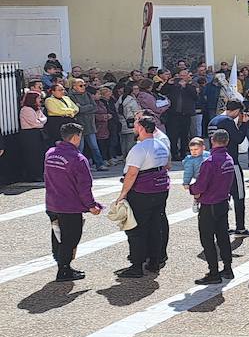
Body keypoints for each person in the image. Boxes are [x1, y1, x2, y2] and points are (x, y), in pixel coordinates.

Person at [114, 116, 171, 278]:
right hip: (160, 188)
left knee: (136, 229)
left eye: (136, 126)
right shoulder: (161, 143)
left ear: (141, 128)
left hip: (143, 191)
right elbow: (167, 165)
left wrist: (123, 194)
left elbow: (132, 173)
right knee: (155, 226)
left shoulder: (139, 148)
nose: (134, 129)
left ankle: (136, 265)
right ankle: (154, 260)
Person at [44, 123, 102, 282]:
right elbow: (84, 186)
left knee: (58, 236)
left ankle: (62, 265)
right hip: (69, 206)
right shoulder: (78, 159)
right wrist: (91, 205)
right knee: (71, 238)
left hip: (52, 202)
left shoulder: (50, 154)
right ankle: (64, 270)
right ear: (76, 137)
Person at [189, 130, 238, 285]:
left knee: (207, 239)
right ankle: (228, 268)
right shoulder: (229, 159)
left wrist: (192, 189)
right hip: (223, 202)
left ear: (212, 140)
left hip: (209, 204)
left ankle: (213, 272)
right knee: (223, 237)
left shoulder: (210, 162)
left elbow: (200, 186)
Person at [208, 100, 249, 237]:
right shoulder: (227, 121)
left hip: (216, 162)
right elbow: (239, 138)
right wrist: (244, 124)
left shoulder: (214, 120)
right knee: (239, 195)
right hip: (231, 161)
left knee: (222, 196)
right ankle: (240, 227)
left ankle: (224, 226)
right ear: (237, 111)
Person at [68, 78, 104, 169]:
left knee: (94, 147)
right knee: (80, 147)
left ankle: (100, 164)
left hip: (90, 125)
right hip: (79, 125)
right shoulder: (71, 96)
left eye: (84, 85)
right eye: (81, 85)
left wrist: (83, 108)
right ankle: (79, 166)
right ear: (74, 86)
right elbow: (77, 110)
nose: (83, 87)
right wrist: (88, 108)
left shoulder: (88, 95)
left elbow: (94, 107)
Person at [18, 90, 48, 182]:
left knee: (39, 154)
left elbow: (44, 118)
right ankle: (33, 175)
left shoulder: (37, 109)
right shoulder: (26, 109)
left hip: (37, 134)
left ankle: (40, 173)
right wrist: (40, 121)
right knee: (32, 155)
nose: (40, 100)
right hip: (29, 135)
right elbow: (36, 123)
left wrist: (40, 120)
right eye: (38, 98)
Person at [181, 137, 207, 209]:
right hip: (199, 178)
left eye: (196, 149)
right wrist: (186, 182)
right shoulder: (190, 160)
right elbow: (188, 172)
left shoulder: (208, 155)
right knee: (197, 191)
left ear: (203, 148)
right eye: (191, 150)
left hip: (209, 177)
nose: (193, 152)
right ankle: (196, 201)